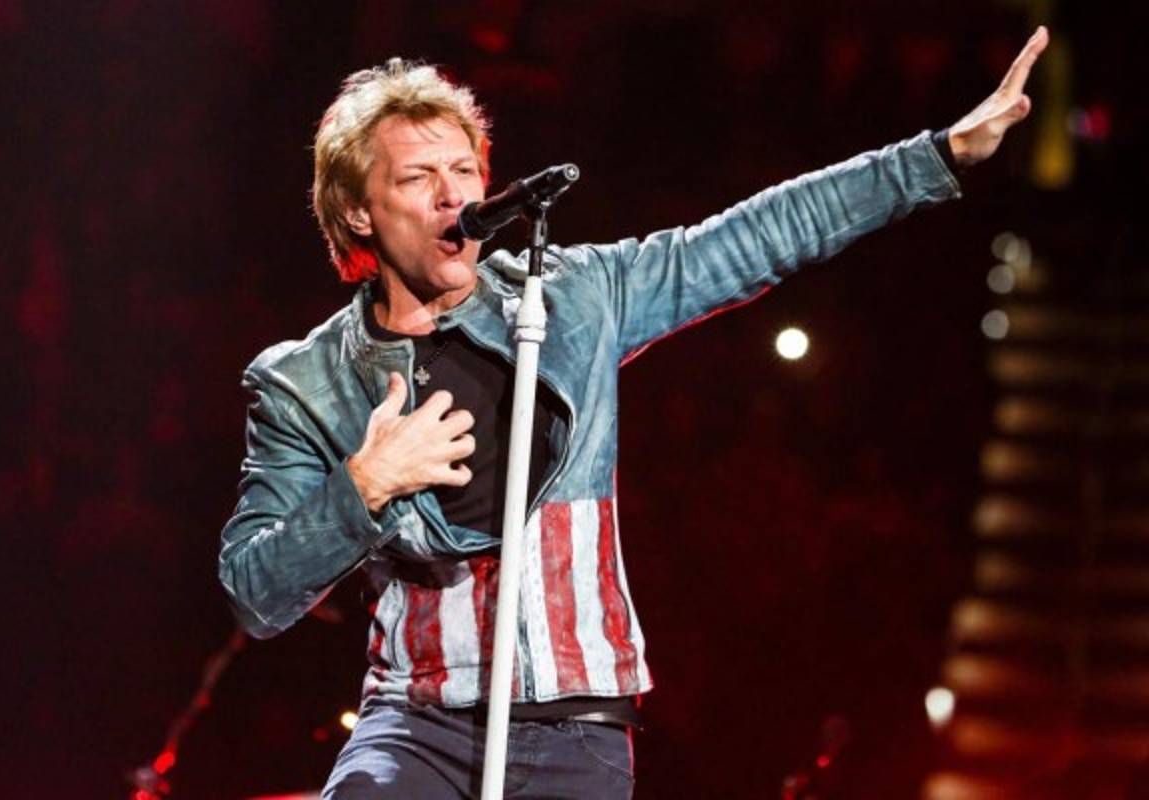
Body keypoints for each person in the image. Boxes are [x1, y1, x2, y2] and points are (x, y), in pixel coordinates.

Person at [218, 27, 1049, 799]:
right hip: (418, 728)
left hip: (580, 731)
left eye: (464, 171)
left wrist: (938, 154)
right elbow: (255, 595)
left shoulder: (573, 299)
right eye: (415, 178)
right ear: (358, 210)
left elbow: (760, 235)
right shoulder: (306, 383)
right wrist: (363, 484)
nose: (451, 197)